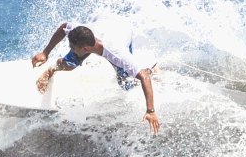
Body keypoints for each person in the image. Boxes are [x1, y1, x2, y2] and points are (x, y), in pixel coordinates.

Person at [31, 20, 160, 135]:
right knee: (69, 64)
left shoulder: (117, 54)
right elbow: (65, 26)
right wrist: (45, 52)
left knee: (126, 83)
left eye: (72, 47)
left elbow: (144, 77)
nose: (70, 48)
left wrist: (150, 110)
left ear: (86, 48)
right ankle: (51, 71)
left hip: (122, 31)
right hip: (105, 25)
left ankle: (152, 68)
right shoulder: (80, 33)